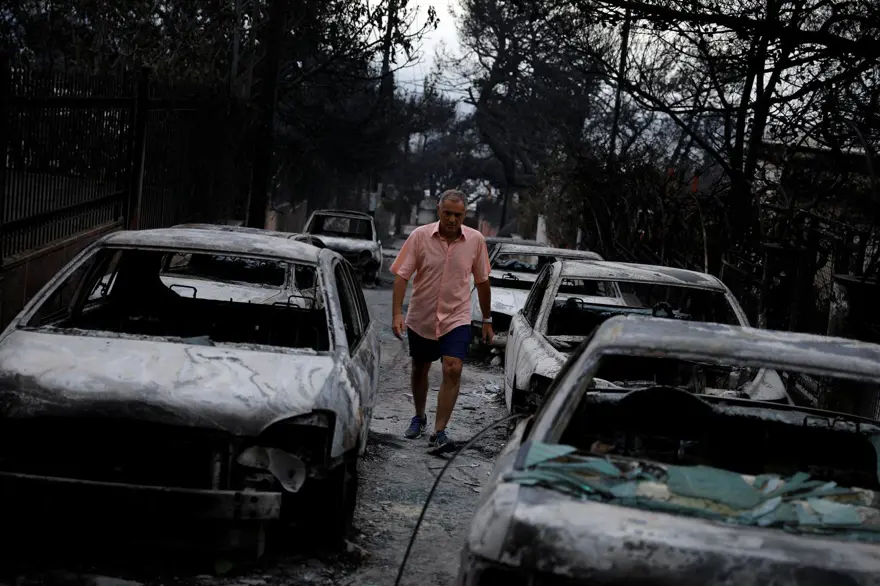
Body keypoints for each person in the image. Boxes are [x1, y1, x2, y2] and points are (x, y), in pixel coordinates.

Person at [390, 189, 494, 454]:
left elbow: (482, 281)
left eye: (457, 215)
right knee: (420, 367)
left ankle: (439, 431)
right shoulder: (419, 236)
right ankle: (419, 415)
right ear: (439, 211)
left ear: (465, 215)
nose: (452, 219)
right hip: (422, 315)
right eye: (447, 213)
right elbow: (402, 276)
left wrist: (487, 319)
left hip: (456, 316)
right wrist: (397, 314)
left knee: (452, 368)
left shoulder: (476, 241)